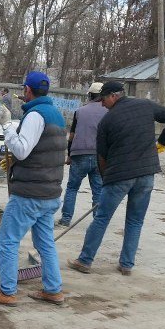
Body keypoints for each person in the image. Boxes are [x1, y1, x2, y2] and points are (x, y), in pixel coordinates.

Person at [68, 81, 165, 276]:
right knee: (135, 221)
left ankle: (85, 260)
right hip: (146, 174)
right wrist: (163, 143)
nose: (102, 104)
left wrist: (105, 181)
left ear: (113, 96)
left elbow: (102, 158)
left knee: (102, 218)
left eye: (103, 99)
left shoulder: (107, 121)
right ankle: (126, 265)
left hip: (120, 175)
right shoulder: (145, 105)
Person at [0, 71, 67, 306]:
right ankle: (53, 290)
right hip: (50, 192)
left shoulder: (35, 115)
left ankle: (6, 292)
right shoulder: (56, 115)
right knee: (45, 243)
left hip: (30, 194)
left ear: (27, 90)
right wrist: (14, 164)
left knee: (8, 240)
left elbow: (21, 150)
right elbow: (44, 151)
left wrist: (7, 125)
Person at [58, 81, 107, 227]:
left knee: (72, 188)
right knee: (98, 190)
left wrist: (69, 154)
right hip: (99, 156)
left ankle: (66, 219)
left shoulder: (80, 111)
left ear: (91, 95)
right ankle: (97, 221)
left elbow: (72, 135)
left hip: (79, 154)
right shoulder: (109, 112)